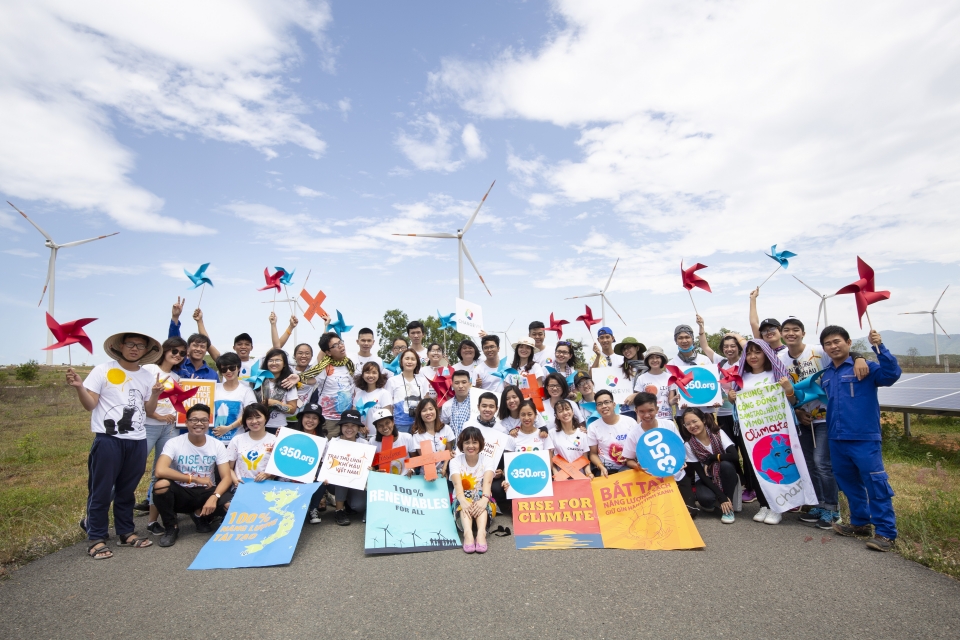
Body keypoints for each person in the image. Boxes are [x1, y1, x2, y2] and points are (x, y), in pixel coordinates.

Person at [67, 331, 163, 558]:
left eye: (140, 346)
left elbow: (148, 411)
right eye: (130, 344)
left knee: (127, 491)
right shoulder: (102, 370)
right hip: (108, 439)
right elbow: (90, 405)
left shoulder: (147, 377)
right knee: (100, 490)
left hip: (137, 440)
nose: (135, 349)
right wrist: (80, 387)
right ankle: (96, 537)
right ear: (120, 346)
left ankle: (126, 533)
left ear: (146, 351)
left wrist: (156, 394)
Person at [820, 327, 902, 552]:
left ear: (848, 342)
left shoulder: (865, 367)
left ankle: (886, 533)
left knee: (875, 483)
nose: (833, 346)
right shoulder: (826, 375)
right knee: (847, 483)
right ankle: (860, 523)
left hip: (864, 438)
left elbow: (891, 375)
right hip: (836, 438)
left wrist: (879, 347)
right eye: (828, 344)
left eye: (837, 341)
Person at [778, 317, 840, 528]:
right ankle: (818, 503)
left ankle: (832, 508)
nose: (791, 333)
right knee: (810, 463)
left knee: (822, 462)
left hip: (825, 415)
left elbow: (841, 360)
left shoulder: (819, 351)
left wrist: (858, 358)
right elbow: (784, 390)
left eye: (796, 330)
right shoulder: (780, 358)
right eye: (786, 330)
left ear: (803, 333)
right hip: (801, 418)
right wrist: (796, 411)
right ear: (781, 334)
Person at [727, 339, 797, 525]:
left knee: (777, 465)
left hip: (775, 431)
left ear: (766, 353)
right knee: (756, 467)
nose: (753, 356)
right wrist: (732, 398)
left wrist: (788, 389)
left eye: (757, 352)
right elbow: (737, 404)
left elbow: (792, 399)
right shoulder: (742, 378)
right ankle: (764, 505)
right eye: (749, 353)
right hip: (750, 432)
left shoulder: (777, 374)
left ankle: (778, 507)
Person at [153, 404, 233, 548]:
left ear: (209, 423)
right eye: (194, 420)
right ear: (186, 422)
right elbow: (160, 470)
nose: (199, 424)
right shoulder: (174, 442)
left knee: (230, 505)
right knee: (161, 485)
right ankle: (171, 528)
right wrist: (193, 478)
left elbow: (226, 477)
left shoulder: (217, 444)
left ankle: (200, 516)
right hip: (182, 492)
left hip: (206, 492)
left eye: (203, 420)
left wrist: (215, 497)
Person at [696, 317, 756, 503]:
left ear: (739, 347)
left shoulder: (746, 362)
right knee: (730, 452)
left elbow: (748, 344)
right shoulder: (721, 363)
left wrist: (732, 334)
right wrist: (702, 328)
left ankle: (752, 488)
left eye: (733, 345)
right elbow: (705, 347)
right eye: (726, 346)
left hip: (744, 415)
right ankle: (740, 484)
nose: (729, 349)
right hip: (723, 414)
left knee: (746, 452)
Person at [138, 337, 186, 531]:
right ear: (165, 350)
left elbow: (178, 404)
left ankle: (152, 521)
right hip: (148, 426)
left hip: (170, 428)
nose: (178, 356)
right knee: (132, 470)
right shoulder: (149, 369)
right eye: (174, 351)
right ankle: (98, 517)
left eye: (182, 353)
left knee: (159, 472)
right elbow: (138, 397)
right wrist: (156, 415)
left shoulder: (177, 378)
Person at [622, 392, 695, 515]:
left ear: (657, 409)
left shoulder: (668, 425)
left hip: (677, 476)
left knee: (690, 514)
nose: (646, 415)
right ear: (636, 411)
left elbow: (680, 448)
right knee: (662, 516)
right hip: (652, 482)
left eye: (650, 410)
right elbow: (628, 460)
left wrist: (682, 460)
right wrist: (638, 467)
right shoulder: (633, 434)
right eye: (642, 411)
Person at [679, 407, 740, 524]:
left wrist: (711, 458)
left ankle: (728, 505)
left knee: (726, 465)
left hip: (724, 474)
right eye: (688, 424)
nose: (692, 426)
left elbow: (734, 456)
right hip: (706, 479)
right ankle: (721, 499)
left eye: (694, 421)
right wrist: (720, 496)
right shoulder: (688, 445)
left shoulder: (718, 433)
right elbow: (702, 475)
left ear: (703, 420)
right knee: (706, 500)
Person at [449, 427, 496, 553]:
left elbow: (487, 482)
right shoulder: (454, 461)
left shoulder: (487, 460)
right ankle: (468, 534)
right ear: (461, 444)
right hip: (461, 495)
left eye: (474, 442)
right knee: (463, 505)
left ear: (480, 443)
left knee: (481, 504)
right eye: (467, 442)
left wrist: (484, 500)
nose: (471, 446)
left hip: (482, 494)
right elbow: (457, 484)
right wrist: (463, 501)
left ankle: (481, 534)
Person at [225, 403, 277, 513]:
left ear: (266, 418)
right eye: (250, 418)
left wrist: (268, 474)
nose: (254, 421)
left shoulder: (275, 440)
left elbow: (280, 467)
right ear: (245, 421)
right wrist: (235, 481)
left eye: (258, 417)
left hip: (266, 488)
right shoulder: (237, 440)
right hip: (242, 487)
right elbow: (228, 468)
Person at [303, 331, 356, 435]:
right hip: (329, 420)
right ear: (328, 352)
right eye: (335, 345)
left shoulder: (350, 364)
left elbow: (353, 387)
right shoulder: (324, 367)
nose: (341, 346)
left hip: (347, 419)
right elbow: (312, 380)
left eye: (340, 342)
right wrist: (298, 378)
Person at [669, 324, 720, 420]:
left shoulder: (705, 360)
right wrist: (674, 400)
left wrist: (714, 399)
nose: (684, 341)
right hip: (683, 413)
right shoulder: (672, 364)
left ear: (692, 339)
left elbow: (711, 383)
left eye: (687, 337)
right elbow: (671, 390)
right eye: (680, 338)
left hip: (705, 412)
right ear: (676, 341)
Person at [328, 410, 368, 526]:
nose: (349, 429)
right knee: (342, 472)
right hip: (335, 483)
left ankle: (347, 503)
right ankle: (339, 510)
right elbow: (326, 464)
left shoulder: (365, 444)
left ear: (359, 427)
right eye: (345, 425)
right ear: (340, 426)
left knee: (359, 507)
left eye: (353, 425)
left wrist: (369, 468)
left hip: (356, 483)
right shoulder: (333, 442)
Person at [586, 389, 636, 476]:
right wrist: (601, 467)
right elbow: (593, 454)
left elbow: (638, 446)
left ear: (614, 404)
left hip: (628, 467)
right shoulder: (593, 427)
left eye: (607, 402)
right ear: (596, 408)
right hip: (605, 469)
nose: (604, 406)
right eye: (600, 404)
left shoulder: (630, 422)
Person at [211, 352, 257, 442]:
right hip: (213, 440)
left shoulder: (246, 391)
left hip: (237, 440)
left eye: (232, 367)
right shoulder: (214, 388)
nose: (228, 371)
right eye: (224, 369)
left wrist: (228, 428)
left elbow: (249, 414)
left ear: (238, 368)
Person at [294, 403, 327, 521]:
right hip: (291, 473)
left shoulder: (323, 440)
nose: (310, 421)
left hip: (311, 473)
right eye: (307, 416)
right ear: (301, 418)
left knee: (322, 475)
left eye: (315, 418)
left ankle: (313, 508)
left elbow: (322, 462)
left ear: (319, 421)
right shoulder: (290, 435)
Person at [253, 348, 299, 434]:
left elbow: (293, 409)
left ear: (284, 364)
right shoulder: (258, 382)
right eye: (270, 360)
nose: (274, 363)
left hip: (278, 427)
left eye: (278, 360)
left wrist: (276, 403)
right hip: (257, 426)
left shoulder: (288, 383)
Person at [411, 397, 455, 478]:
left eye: (431, 409)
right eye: (424, 410)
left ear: (436, 410)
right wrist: (430, 474)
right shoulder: (417, 435)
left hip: (443, 473)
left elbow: (448, 451)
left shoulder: (446, 429)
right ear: (420, 414)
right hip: (426, 474)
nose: (428, 412)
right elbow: (424, 459)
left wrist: (444, 468)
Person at [550, 399, 594, 479]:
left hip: (580, 478)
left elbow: (585, 459)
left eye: (567, 409)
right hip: (561, 479)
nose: (565, 413)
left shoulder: (582, 433)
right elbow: (550, 459)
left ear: (573, 411)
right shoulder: (552, 434)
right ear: (557, 416)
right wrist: (557, 476)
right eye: (560, 411)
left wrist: (589, 473)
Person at [368, 408, 418, 476]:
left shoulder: (407, 437)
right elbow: (372, 464)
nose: (385, 427)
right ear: (376, 427)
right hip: (384, 479)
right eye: (380, 425)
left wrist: (411, 469)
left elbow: (414, 458)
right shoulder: (372, 442)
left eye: (387, 423)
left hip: (405, 478)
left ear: (393, 422)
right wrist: (375, 470)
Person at [628, 346, 671, 420]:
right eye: (651, 358)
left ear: (662, 360)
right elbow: (638, 402)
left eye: (657, 357)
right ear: (647, 360)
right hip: (647, 418)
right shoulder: (642, 378)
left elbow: (670, 401)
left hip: (666, 417)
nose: (654, 360)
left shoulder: (670, 377)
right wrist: (639, 422)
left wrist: (678, 399)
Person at [353, 361, 391, 435]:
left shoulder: (384, 393)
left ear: (379, 375)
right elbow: (354, 415)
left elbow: (387, 418)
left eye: (374, 373)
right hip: (360, 436)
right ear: (363, 375)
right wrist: (360, 427)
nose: (371, 375)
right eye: (367, 372)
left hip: (378, 436)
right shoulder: (358, 394)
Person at [440, 369, 474, 438]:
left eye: (464, 382)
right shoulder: (447, 405)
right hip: (453, 444)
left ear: (469, 384)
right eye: (457, 383)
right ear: (452, 385)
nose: (460, 386)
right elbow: (443, 427)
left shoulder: (476, 402)